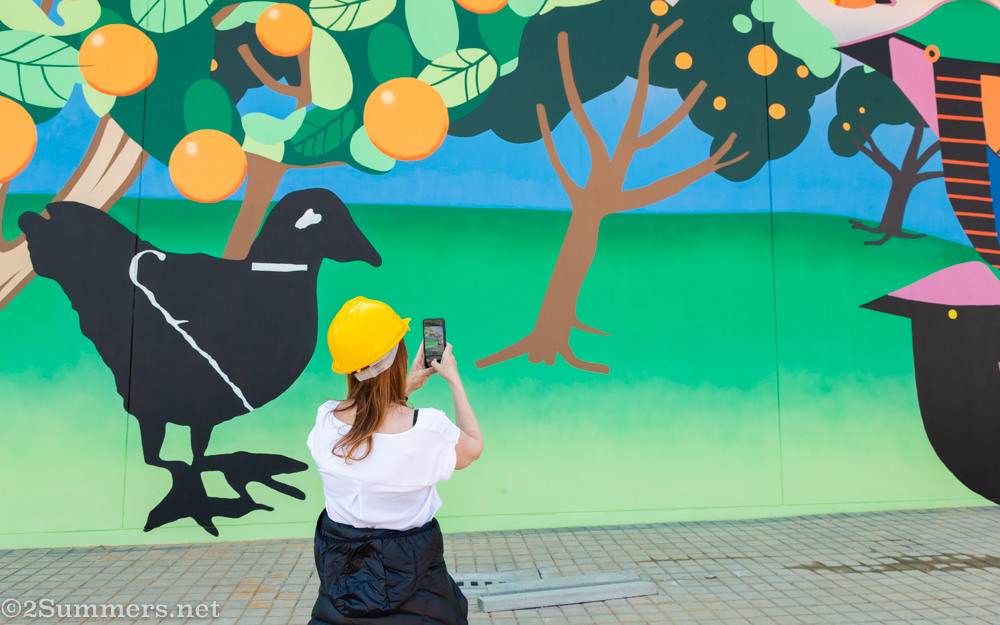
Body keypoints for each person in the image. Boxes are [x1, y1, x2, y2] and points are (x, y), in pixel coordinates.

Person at [307, 296, 484, 625]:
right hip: (421, 596)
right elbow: (473, 447)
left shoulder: (325, 422)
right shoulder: (427, 429)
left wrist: (402, 388)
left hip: (339, 601)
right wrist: (453, 378)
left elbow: (371, 420)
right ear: (399, 355)